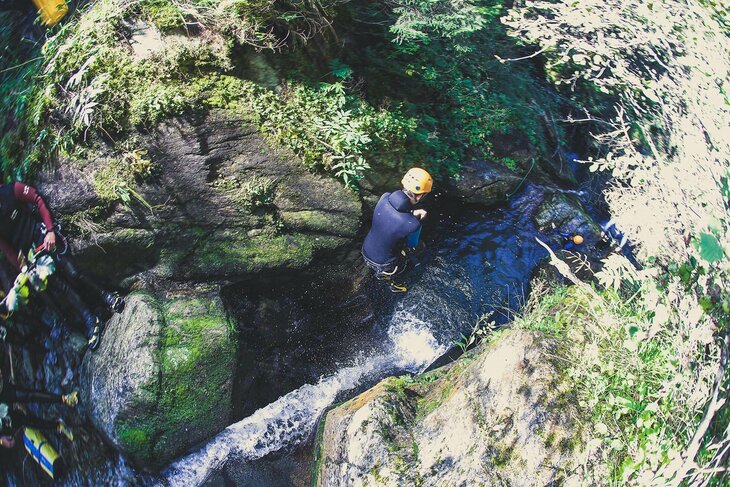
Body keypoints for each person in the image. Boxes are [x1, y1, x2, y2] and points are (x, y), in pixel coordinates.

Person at [0, 181, 123, 350]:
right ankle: (90, 319)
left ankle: (108, 296)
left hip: (42, 236)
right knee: (61, 288)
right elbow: (8, 251)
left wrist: (50, 231)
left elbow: (37, 198)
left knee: (74, 272)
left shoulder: (10, 190)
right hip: (31, 256)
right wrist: (23, 268)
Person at [361, 168, 433, 293]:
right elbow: (413, 245)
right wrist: (417, 220)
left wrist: (410, 214)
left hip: (365, 250)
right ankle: (394, 283)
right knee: (416, 254)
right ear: (421, 195)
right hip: (383, 264)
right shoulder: (413, 224)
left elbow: (393, 216)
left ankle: (382, 273)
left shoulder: (385, 197)